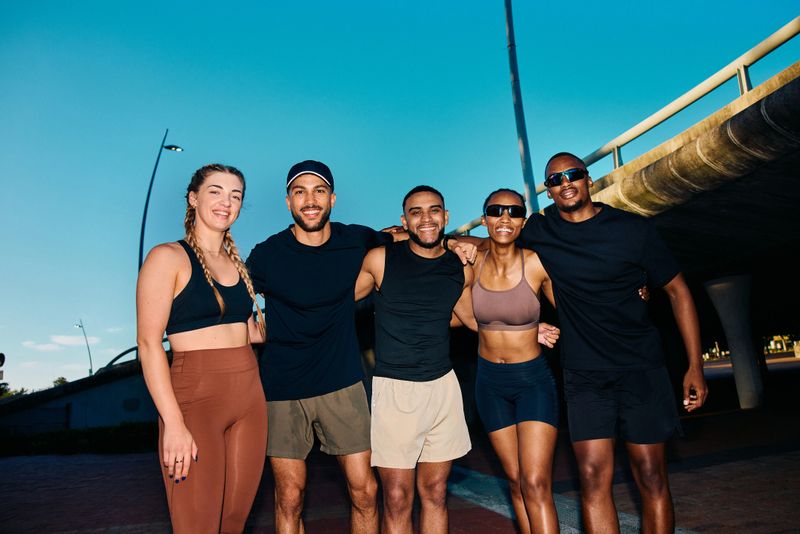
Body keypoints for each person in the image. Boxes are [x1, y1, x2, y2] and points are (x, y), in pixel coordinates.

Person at [246, 162, 474, 534]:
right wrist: (250, 332)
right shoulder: (267, 254)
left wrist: (453, 242)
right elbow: (230, 297)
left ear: (332, 199)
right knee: (289, 495)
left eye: (319, 191)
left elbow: (413, 239)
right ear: (288, 201)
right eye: (300, 192)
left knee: (366, 492)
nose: (310, 200)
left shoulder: (358, 240)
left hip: (343, 381)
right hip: (283, 387)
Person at [520, 152, 709, 534]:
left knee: (651, 475)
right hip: (585, 375)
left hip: (642, 368)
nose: (565, 183)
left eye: (572, 174)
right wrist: (442, 240)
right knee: (590, 476)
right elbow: (494, 244)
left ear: (589, 179)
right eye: (555, 180)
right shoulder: (540, 230)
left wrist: (695, 366)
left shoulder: (632, 230)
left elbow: (678, 292)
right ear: (548, 191)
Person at [137, 164, 268, 534]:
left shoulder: (238, 266)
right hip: (195, 401)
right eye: (215, 191)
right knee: (198, 524)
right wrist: (174, 424)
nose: (226, 202)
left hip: (249, 398)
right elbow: (148, 343)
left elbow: (250, 332)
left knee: (234, 521)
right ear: (194, 198)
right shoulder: (167, 257)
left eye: (236, 195)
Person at [355, 185, 475, 534]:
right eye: (416, 212)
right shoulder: (381, 260)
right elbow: (335, 301)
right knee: (396, 496)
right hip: (395, 390)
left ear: (446, 216)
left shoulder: (460, 268)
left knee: (436, 492)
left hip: (442, 388)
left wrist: (531, 325)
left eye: (434, 210)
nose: (426, 218)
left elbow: (473, 319)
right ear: (403, 221)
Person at [462, 188, 562, 534]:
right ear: (485, 218)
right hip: (489, 384)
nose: (504, 218)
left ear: (523, 221)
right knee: (516, 481)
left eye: (514, 212)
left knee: (536, 482)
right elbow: (434, 239)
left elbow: (577, 307)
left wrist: (634, 288)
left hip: (532, 381)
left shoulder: (536, 262)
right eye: (496, 211)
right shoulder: (472, 260)